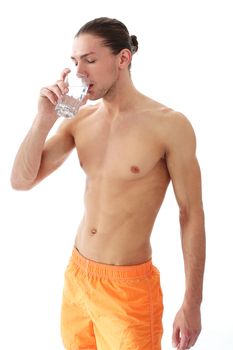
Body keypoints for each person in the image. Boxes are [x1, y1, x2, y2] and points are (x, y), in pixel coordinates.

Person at [11, 17, 206, 350]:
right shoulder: (81, 120)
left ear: (123, 59)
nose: (79, 71)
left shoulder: (169, 125)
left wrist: (192, 304)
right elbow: (21, 180)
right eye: (75, 62)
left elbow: (191, 214)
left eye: (90, 59)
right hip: (77, 277)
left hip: (128, 289)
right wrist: (45, 118)